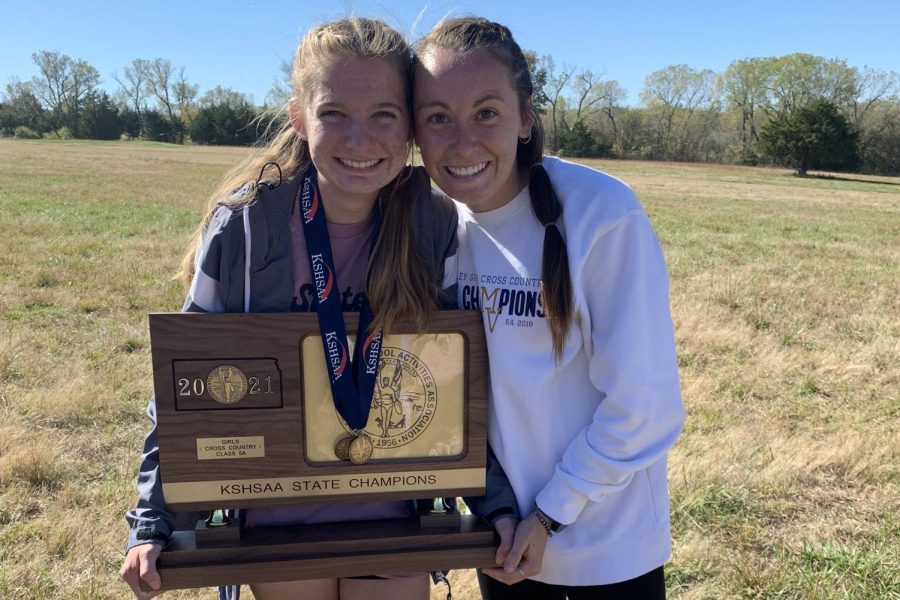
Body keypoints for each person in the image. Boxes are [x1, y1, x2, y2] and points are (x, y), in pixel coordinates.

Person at [119, 17, 515, 600]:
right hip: (279, 526)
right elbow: (184, 387)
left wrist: (497, 506)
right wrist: (153, 522)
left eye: (383, 114)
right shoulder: (246, 227)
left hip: (395, 523)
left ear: (407, 124)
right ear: (299, 117)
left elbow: (466, 384)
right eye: (333, 114)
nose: (360, 141)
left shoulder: (433, 223)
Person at [412, 17, 685, 599]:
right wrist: (499, 513)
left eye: (486, 112)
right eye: (438, 118)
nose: (463, 143)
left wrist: (551, 514)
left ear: (526, 116)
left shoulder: (601, 212)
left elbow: (644, 406)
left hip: (606, 553)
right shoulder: (435, 228)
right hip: (505, 543)